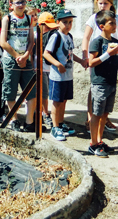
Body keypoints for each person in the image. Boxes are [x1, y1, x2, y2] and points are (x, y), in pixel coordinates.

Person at [81, 0, 118, 133]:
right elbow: (86, 37)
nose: (102, 6)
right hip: (98, 55)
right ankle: (90, 117)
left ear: (111, 3)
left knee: (108, 90)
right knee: (95, 88)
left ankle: (105, 119)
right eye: (100, 3)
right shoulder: (94, 18)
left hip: (112, 57)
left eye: (105, 3)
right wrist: (85, 56)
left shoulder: (117, 19)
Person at [88, 10, 118, 156]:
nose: (114, 26)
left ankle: (100, 140)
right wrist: (107, 55)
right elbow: (91, 62)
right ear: (101, 26)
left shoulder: (116, 42)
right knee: (96, 114)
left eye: (115, 23)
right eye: (111, 23)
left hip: (111, 83)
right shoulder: (97, 42)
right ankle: (93, 143)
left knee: (105, 114)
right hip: (99, 83)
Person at [43, 9, 84, 140]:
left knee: (64, 101)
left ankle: (60, 123)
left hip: (68, 75)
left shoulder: (69, 36)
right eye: (65, 22)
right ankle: (54, 128)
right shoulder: (56, 36)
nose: (68, 25)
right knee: (57, 102)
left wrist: (81, 61)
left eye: (70, 22)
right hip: (57, 76)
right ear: (58, 22)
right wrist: (57, 64)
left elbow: (70, 54)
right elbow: (46, 53)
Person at [0, 0, 36, 132]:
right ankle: (13, 119)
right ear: (12, 4)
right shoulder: (7, 19)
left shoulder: (28, 19)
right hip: (11, 59)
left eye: (23, 1)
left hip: (25, 59)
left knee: (31, 90)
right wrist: (17, 56)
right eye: (18, 2)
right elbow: (3, 42)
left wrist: (26, 55)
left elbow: (31, 40)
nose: (21, 5)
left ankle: (29, 121)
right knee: (10, 90)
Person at [37, 12, 57, 127]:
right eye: (47, 26)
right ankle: (45, 114)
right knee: (43, 93)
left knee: (50, 93)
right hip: (42, 68)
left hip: (52, 68)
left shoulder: (54, 35)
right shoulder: (37, 36)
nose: (50, 29)